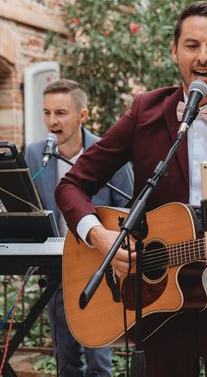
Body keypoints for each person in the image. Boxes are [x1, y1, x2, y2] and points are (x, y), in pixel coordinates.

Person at [55, 0, 207, 376]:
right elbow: (72, 185)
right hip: (161, 306)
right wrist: (98, 236)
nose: (203, 57)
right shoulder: (144, 112)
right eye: (192, 45)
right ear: (174, 50)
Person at [25, 79, 133, 377]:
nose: (51, 122)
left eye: (60, 113)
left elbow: (130, 207)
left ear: (82, 115)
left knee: (99, 361)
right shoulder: (35, 154)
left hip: (98, 271)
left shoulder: (108, 153)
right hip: (56, 271)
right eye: (46, 113)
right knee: (65, 361)